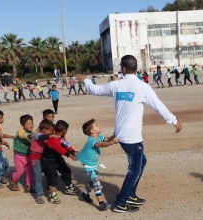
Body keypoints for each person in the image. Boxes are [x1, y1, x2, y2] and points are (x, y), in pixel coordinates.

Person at [76, 55, 182, 213]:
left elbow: (95, 90)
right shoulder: (143, 87)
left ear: (123, 68)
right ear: (136, 68)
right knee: (134, 169)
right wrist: (174, 121)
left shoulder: (116, 85)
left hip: (122, 135)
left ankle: (131, 194)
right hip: (132, 138)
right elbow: (158, 106)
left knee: (141, 162)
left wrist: (85, 79)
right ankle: (120, 202)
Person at [77, 119, 118, 211]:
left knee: (91, 182)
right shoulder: (91, 140)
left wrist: (115, 135)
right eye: (96, 125)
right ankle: (101, 203)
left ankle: (85, 195)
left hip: (93, 165)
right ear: (92, 131)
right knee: (96, 183)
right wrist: (112, 143)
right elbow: (101, 145)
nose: (99, 125)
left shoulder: (98, 137)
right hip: (89, 166)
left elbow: (107, 139)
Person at [42, 120, 77, 204]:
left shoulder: (61, 138)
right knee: (53, 178)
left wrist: (73, 151)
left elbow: (66, 145)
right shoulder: (53, 140)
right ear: (64, 130)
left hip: (57, 158)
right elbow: (60, 149)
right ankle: (53, 195)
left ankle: (69, 187)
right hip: (49, 160)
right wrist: (71, 155)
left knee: (66, 170)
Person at [30, 119, 59, 204]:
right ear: (44, 130)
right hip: (35, 159)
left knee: (48, 173)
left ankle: (49, 187)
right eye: (50, 130)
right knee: (38, 176)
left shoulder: (46, 136)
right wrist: (51, 136)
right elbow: (41, 137)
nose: (51, 132)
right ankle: (39, 195)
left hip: (43, 158)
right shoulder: (37, 135)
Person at [10, 114, 34, 192]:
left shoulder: (33, 132)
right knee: (19, 172)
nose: (31, 125)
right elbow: (24, 135)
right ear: (22, 125)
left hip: (28, 155)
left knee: (30, 171)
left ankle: (29, 186)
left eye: (32, 123)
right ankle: (12, 181)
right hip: (19, 155)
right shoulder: (20, 131)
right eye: (28, 124)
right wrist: (31, 135)